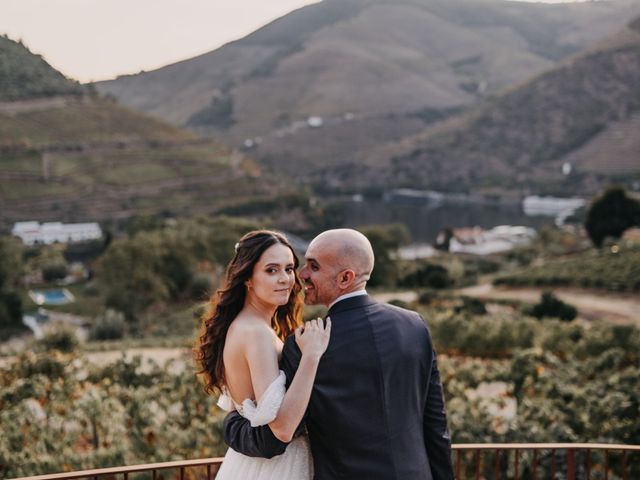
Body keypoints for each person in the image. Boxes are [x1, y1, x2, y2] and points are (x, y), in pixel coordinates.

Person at [223, 228, 454, 480]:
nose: (301, 275)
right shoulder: (414, 326)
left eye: (313, 266)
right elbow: (436, 426)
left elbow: (274, 437)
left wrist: (233, 421)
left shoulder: (304, 346)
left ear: (345, 278)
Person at [195, 230, 331, 480]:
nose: (285, 279)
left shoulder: (244, 326)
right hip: (277, 469)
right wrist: (311, 356)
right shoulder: (256, 333)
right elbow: (282, 428)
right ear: (248, 277)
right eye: (271, 270)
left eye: (289, 269)